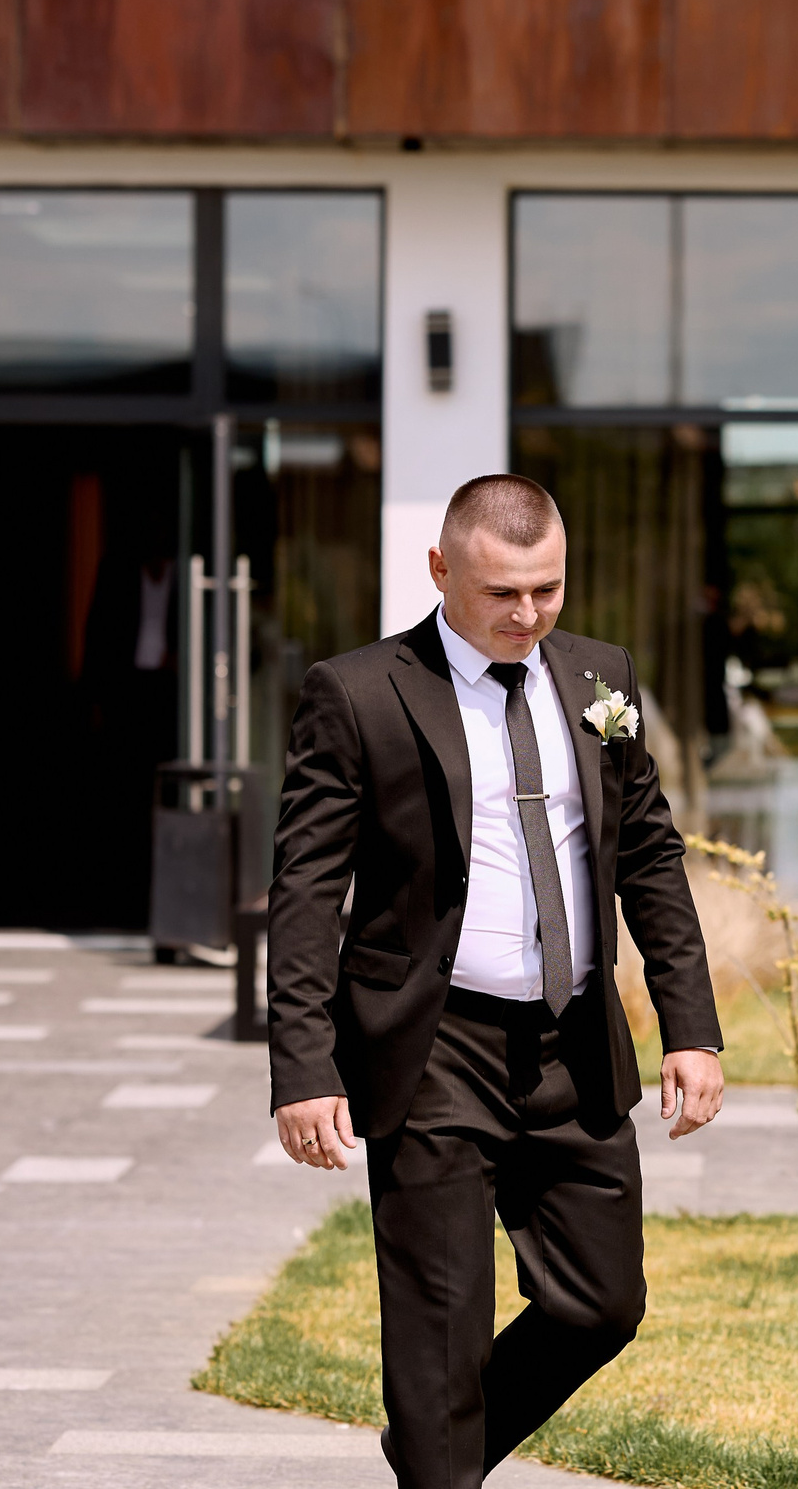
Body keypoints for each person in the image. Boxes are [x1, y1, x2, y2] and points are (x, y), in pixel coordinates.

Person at [268, 472, 726, 1489]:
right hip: (432, 1048)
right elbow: (304, 895)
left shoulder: (602, 678)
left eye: (546, 590)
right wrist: (304, 1063)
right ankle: (439, 1456)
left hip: (574, 1043)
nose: (526, 615)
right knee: (438, 1329)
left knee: (600, 1303)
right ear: (440, 569)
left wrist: (690, 1025)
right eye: (500, 594)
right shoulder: (359, 693)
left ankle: (437, 1450)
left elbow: (647, 854)